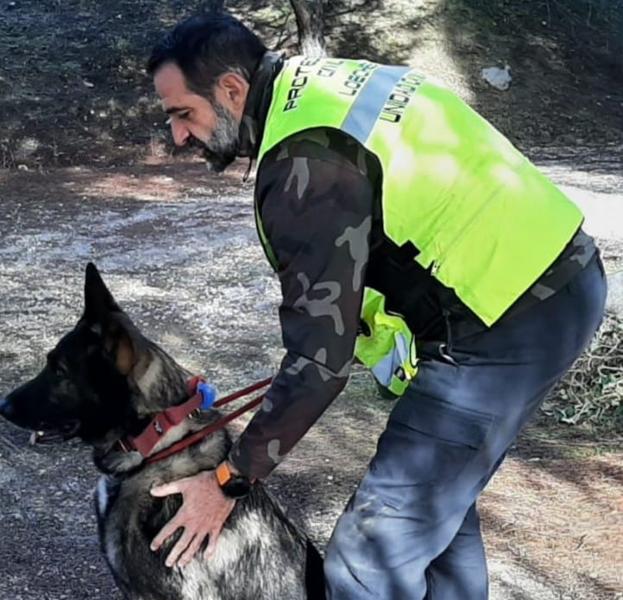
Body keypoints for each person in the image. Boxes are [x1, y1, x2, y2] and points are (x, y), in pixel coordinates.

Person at [145, 11, 607, 599]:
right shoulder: (324, 85)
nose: (179, 136)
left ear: (232, 89)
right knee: (435, 517)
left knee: (369, 559)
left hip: (507, 325)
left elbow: (319, 363)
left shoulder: (303, 163)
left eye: (184, 113)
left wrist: (230, 480)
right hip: (558, 278)